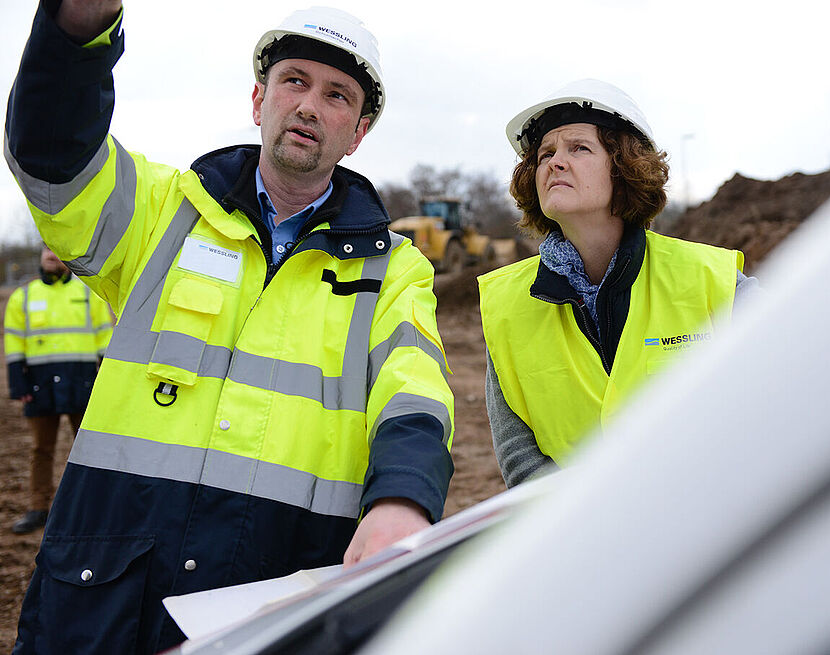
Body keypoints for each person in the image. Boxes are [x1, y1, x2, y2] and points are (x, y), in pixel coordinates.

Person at [4, 2, 454, 653]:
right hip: (106, 593)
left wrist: (402, 501)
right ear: (257, 99)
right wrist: (77, 33)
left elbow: (414, 395)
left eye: (335, 96)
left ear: (356, 133)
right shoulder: (159, 213)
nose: (307, 105)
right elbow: (52, 153)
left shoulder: (396, 270)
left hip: (275, 594)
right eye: (294, 81)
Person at [479, 79, 758, 488]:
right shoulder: (505, 304)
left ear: (624, 166)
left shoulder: (710, 280)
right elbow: (521, 458)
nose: (555, 162)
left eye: (579, 147)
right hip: (581, 538)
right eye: (545, 154)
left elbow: (790, 383)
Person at [3, 247, 112, 535]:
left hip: (83, 382)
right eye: (47, 249)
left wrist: (111, 379)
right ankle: (39, 508)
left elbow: (106, 337)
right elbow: (14, 344)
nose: (52, 254)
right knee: (41, 450)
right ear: (41, 254)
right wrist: (18, 384)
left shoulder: (90, 294)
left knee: (89, 450)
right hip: (39, 386)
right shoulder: (22, 297)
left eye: (57, 249)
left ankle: (95, 508)